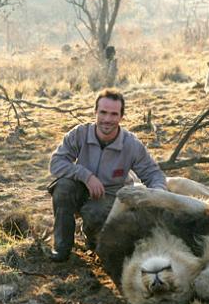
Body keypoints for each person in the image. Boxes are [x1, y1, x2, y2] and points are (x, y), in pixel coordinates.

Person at [48, 88, 167, 262]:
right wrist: (86, 176)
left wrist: (158, 196)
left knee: (95, 214)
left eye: (113, 114)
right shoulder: (79, 134)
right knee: (63, 188)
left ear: (121, 117)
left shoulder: (131, 144)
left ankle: (92, 237)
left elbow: (153, 174)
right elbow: (56, 163)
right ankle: (62, 247)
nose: (107, 119)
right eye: (103, 112)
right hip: (81, 186)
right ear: (95, 112)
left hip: (111, 194)